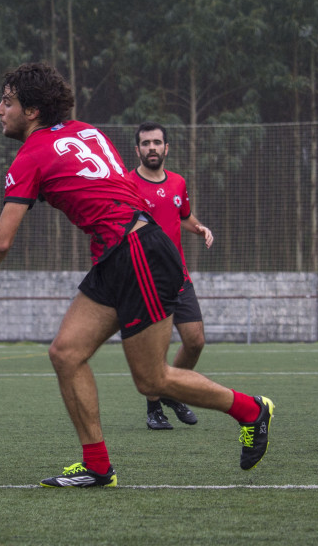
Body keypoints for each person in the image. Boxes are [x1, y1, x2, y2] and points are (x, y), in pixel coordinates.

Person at [0, 62, 274, 488]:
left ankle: (251, 410)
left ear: (31, 111)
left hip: (136, 253)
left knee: (151, 380)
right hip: (120, 253)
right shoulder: (85, 129)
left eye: (6, 102)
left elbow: (0, 240)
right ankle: (98, 466)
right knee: (65, 353)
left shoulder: (31, 155)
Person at [130, 122, 213, 430]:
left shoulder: (178, 182)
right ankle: (154, 408)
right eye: (146, 143)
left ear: (167, 148)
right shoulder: (127, 184)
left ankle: (170, 390)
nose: (152, 148)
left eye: (157, 142)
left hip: (179, 276)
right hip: (146, 279)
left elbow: (183, 216)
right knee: (155, 350)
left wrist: (200, 228)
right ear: (137, 149)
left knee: (195, 341)